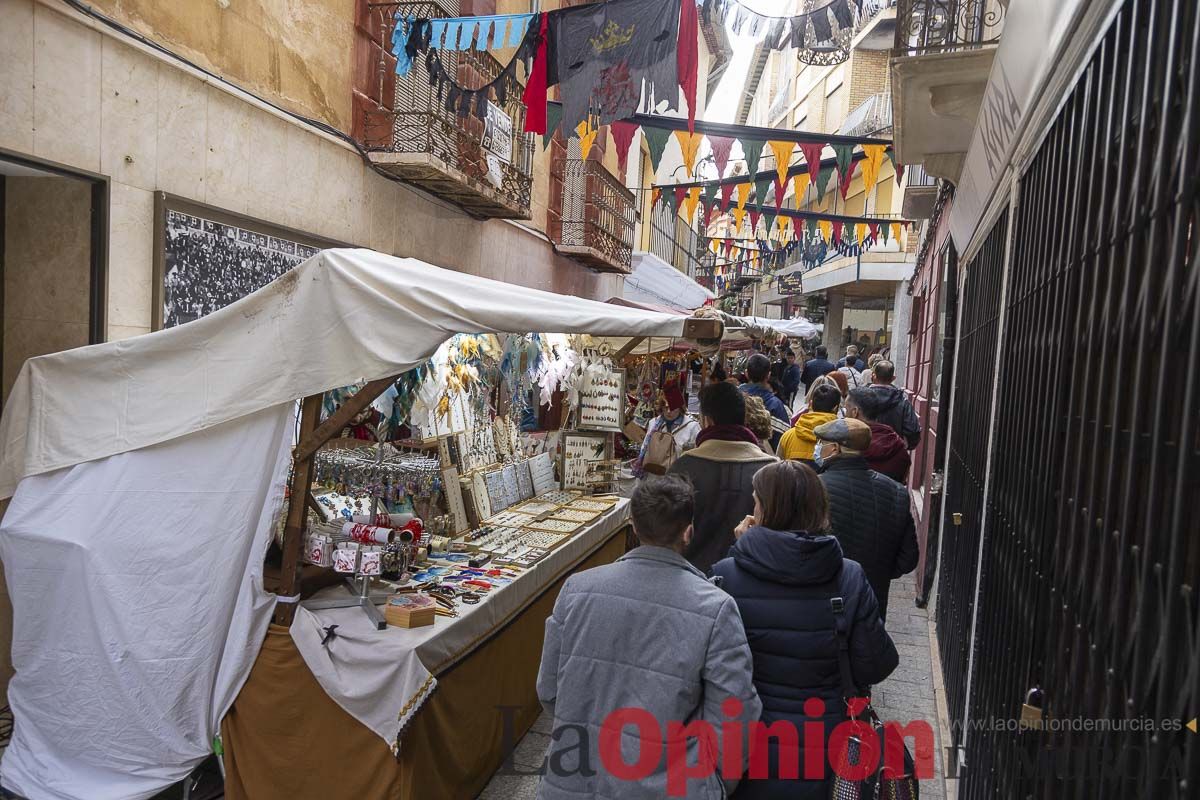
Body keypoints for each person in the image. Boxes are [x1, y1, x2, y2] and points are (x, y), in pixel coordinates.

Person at [537, 476, 762, 799]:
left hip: (575, 779)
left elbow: (549, 688)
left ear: (633, 528)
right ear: (688, 532)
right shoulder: (715, 607)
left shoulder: (577, 589)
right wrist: (713, 783)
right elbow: (733, 714)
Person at [711, 461, 899, 800]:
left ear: (765, 510)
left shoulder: (726, 575)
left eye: (756, 500)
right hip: (825, 750)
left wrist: (739, 553)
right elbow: (877, 664)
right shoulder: (849, 577)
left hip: (747, 747)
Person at [813, 418, 918, 622]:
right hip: (872, 601)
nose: (817, 449)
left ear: (834, 448)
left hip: (822, 598)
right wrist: (879, 572)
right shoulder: (896, 491)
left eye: (821, 444)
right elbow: (908, 558)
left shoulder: (813, 488)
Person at [670, 383, 777, 573]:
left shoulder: (684, 467)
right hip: (752, 579)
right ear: (744, 418)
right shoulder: (772, 470)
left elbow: (669, 532)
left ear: (707, 420)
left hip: (691, 579)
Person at [632, 383, 700, 478]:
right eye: (666, 407)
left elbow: (696, 457)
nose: (669, 411)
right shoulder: (654, 424)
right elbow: (645, 448)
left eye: (672, 408)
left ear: (680, 408)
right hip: (655, 478)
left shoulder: (692, 427)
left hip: (678, 479)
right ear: (661, 407)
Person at [846, 388, 911, 484]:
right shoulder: (899, 448)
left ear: (855, 412)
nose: (844, 416)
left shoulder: (847, 446)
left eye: (846, 409)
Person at [859, 359, 921, 450]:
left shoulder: (859, 397)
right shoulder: (903, 402)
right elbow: (913, 431)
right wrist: (902, 446)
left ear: (873, 376)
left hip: (865, 452)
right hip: (892, 453)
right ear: (893, 378)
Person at [777, 383, 841, 466]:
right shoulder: (840, 441)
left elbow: (779, 466)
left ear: (810, 404)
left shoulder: (788, 436)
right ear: (836, 408)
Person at [739, 353, 791, 446]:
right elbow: (782, 441)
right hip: (764, 458)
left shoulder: (733, 397)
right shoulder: (776, 405)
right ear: (768, 375)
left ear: (746, 373)